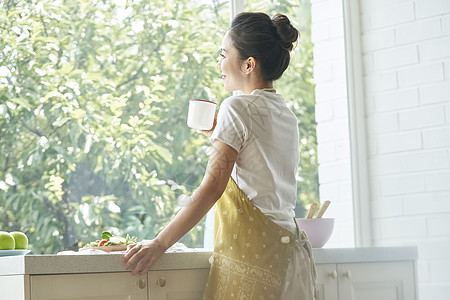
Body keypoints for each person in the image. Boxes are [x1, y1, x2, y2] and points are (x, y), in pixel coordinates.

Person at [123, 12, 317, 299]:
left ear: (249, 64)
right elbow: (260, 172)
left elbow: (213, 187)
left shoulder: (236, 108)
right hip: (290, 256)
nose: (219, 64)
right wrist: (220, 136)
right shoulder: (285, 113)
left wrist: (159, 243)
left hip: (256, 260)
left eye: (224, 54)